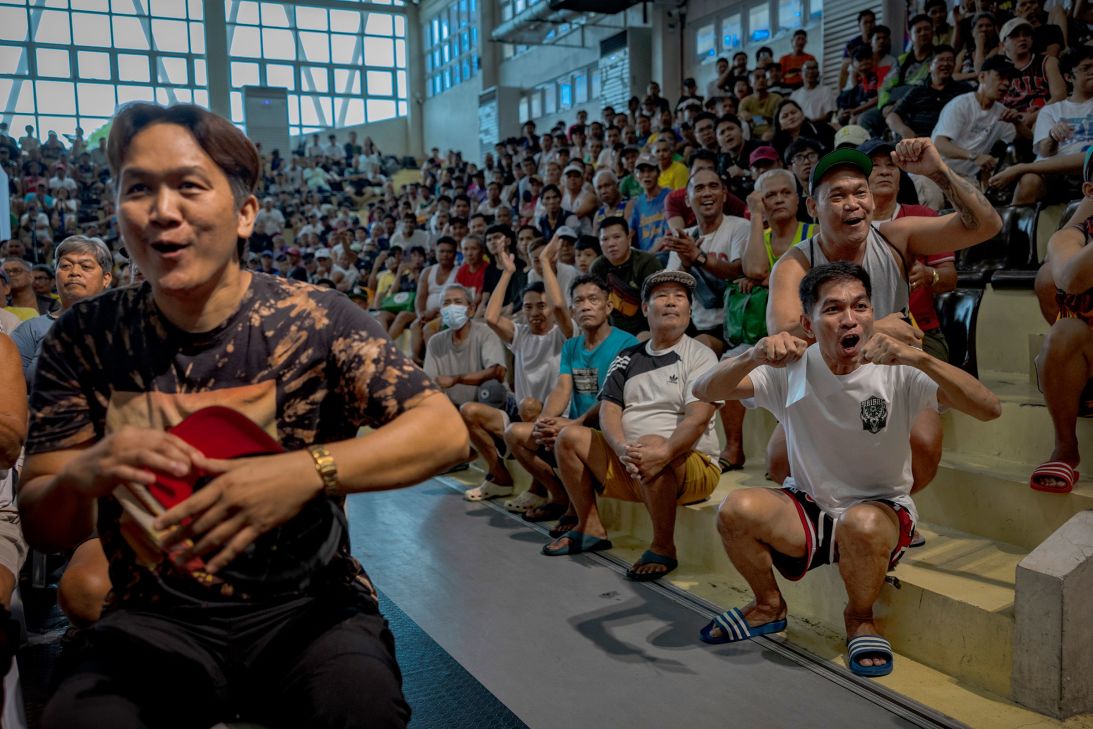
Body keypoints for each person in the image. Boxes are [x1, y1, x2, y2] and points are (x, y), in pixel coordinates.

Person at [20, 103, 469, 728]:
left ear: (245, 214)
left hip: (310, 610)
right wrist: (85, 474)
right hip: (151, 615)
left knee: (360, 708)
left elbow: (444, 430)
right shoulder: (83, 338)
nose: (163, 209)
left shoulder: (317, 318)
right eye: (139, 188)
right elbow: (43, 522)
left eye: (189, 186)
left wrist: (304, 472)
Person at [691, 262, 1000, 677]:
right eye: (834, 309)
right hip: (809, 509)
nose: (850, 318)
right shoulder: (792, 367)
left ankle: (860, 617)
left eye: (861, 306)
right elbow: (704, 390)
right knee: (736, 508)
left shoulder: (899, 368)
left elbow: (989, 409)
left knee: (863, 524)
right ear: (808, 322)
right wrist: (752, 354)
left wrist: (919, 358)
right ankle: (768, 605)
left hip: (880, 511)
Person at [764, 140, 1001, 504]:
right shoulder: (794, 264)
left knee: (923, 445)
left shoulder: (896, 237)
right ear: (813, 207)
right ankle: (833, 508)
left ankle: (888, 507)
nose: (853, 203)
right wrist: (871, 329)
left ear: (873, 201)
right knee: (779, 458)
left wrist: (939, 172)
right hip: (826, 374)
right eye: (838, 195)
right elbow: (781, 338)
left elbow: (986, 225)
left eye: (861, 192)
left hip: (893, 372)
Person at [541, 270, 721, 583]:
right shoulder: (627, 357)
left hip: (690, 467)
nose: (671, 303)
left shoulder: (700, 355)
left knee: (653, 443)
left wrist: (662, 451)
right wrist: (622, 448)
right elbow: (609, 410)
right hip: (633, 463)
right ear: (645, 308)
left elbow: (698, 418)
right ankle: (590, 526)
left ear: (690, 311)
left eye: (680, 297)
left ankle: (663, 547)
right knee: (568, 437)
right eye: (662, 296)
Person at [505, 273, 638, 524]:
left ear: (608, 307)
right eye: (578, 301)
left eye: (593, 299)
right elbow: (562, 388)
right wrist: (545, 421)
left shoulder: (626, 343)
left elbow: (614, 399)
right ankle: (560, 497)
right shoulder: (572, 346)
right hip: (575, 426)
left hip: (607, 429)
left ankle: (579, 514)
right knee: (515, 433)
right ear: (572, 310)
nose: (585, 306)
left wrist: (575, 423)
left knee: (565, 434)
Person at [461, 246, 566, 503]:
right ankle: (499, 477)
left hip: (556, 420)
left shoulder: (563, 334)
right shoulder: (521, 336)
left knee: (530, 407)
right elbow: (492, 317)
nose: (534, 313)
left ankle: (540, 490)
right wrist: (507, 272)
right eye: (528, 307)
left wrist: (546, 264)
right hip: (522, 418)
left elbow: (561, 305)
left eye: (541, 306)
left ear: (551, 308)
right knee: (468, 411)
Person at [663, 167, 751, 470]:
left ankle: (734, 448)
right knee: (678, 352)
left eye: (714, 186)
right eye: (699, 188)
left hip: (740, 324)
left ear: (724, 195)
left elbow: (742, 270)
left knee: (718, 359)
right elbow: (672, 286)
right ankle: (681, 442)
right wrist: (687, 261)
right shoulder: (685, 238)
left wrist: (699, 257)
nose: (707, 193)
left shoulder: (739, 227)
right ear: (688, 199)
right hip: (706, 324)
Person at [1028, 152, 1093, 493]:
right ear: (1090, 191)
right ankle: (1065, 447)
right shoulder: (1069, 237)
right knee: (1062, 332)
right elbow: (1070, 277)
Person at [862, 139, 956, 363]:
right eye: (874, 166)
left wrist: (929, 275)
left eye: (891, 165)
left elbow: (950, 279)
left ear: (900, 178)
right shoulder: (847, 224)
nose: (884, 171)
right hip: (862, 332)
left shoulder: (923, 217)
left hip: (918, 332)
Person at [987, 46, 1093, 205]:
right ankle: (1012, 230)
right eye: (1085, 68)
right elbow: (1045, 150)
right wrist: (1052, 137)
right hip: (1052, 174)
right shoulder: (1051, 110)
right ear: (1068, 77)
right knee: (1029, 181)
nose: (1092, 72)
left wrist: (1021, 168)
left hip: (1087, 171)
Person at [13, 236, 113, 384]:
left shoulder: (124, 325)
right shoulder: (30, 330)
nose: (74, 272)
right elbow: (10, 390)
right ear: (56, 274)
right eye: (65, 266)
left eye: (85, 266)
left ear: (106, 278)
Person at [933, 55, 1023, 188]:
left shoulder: (1003, 113)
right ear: (982, 77)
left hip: (965, 178)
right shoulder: (961, 104)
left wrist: (1017, 123)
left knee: (979, 206)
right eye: (1001, 76)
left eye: (1009, 79)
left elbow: (1027, 140)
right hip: (935, 171)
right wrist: (974, 157)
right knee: (933, 199)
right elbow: (939, 144)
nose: (1006, 83)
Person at [590, 216, 664, 337]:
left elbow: (657, 305)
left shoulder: (646, 262)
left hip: (646, 328)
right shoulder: (597, 268)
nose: (611, 244)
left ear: (629, 238)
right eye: (605, 239)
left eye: (617, 237)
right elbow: (597, 306)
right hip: (612, 331)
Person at [886, 46, 973, 141]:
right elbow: (892, 116)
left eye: (950, 60)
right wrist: (904, 130)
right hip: (917, 142)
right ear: (929, 67)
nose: (946, 63)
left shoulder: (964, 90)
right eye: (941, 60)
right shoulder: (917, 91)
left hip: (949, 144)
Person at [410, 236, 458, 363]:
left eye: (449, 251)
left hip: (447, 313)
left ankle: (433, 362)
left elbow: (458, 298)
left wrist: (438, 310)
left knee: (428, 329)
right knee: (416, 325)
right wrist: (421, 314)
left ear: (455, 253)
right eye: (441, 251)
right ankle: (415, 358)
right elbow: (420, 296)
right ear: (435, 253)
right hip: (427, 313)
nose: (445, 255)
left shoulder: (458, 271)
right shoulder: (427, 271)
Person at [629, 154, 671, 254]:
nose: (646, 175)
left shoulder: (669, 196)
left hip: (665, 254)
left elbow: (669, 235)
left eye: (650, 170)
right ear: (636, 176)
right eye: (642, 171)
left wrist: (648, 256)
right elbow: (630, 233)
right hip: (647, 258)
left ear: (658, 173)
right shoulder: (638, 203)